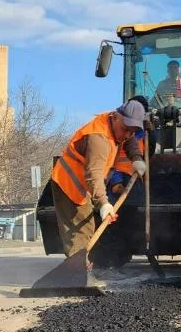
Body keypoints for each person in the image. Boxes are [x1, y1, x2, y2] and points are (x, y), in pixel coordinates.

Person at [49, 97, 149, 268]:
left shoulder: (118, 126)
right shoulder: (99, 139)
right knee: (81, 230)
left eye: (132, 131)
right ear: (116, 116)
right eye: (126, 129)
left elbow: (129, 139)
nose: (127, 135)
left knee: (88, 226)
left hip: (85, 184)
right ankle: (75, 273)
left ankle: (81, 269)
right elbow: (93, 175)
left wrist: (136, 157)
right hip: (70, 183)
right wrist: (103, 203)